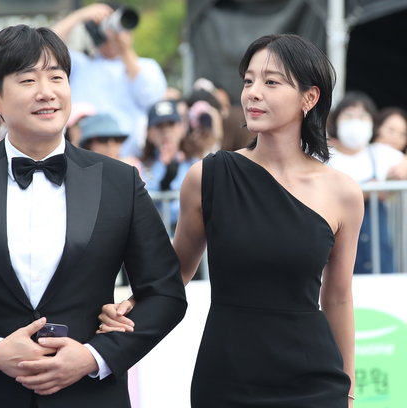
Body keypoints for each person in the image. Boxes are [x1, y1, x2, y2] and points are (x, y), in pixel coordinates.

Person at [0, 25, 186, 408]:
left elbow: (164, 292)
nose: (46, 91)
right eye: (28, 79)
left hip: (90, 396)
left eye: (57, 77)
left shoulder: (119, 181)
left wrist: (94, 357)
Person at [99, 34, 363, 407]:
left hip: (314, 377)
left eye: (271, 82)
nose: (253, 92)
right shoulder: (209, 177)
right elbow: (175, 272)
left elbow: (337, 298)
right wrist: (132, 303)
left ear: (310, 97)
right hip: (228, 374)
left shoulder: (343, 193)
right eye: (249, 80)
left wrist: (349, 388)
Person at [52, 3, 167, 158]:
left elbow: (152, 99)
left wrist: (125, 50)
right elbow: (47, 47)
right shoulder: (81, 64)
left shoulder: (146, 66)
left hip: (129, 159)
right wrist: (81, 15)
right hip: (84, 158)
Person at [327, 91, 406, 274]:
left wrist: (404, 164)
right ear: (337, 120)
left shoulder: (379, 153)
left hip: (377, 250)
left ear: (372, 124)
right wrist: (367, 191)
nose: (356, 123)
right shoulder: (323, 155)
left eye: (363, 117)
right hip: (336, 246)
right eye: (348, 116)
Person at [141, 100, 196, 226]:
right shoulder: (140, 167)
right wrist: (165, 179)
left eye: (171, 124)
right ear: (149, 133)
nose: (165, 131)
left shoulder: (197, 163)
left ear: (181, 128)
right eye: (159, 126)